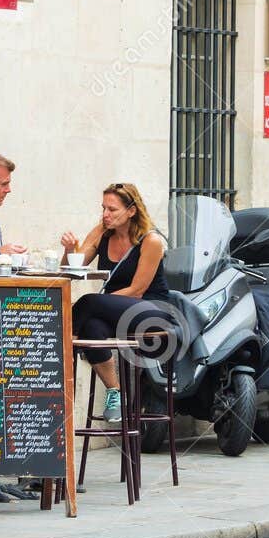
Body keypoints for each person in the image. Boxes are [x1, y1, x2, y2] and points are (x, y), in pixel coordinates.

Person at [61, 182, 178, 424]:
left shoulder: (151, 240)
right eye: (103, 208)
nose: (105, 214)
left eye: (112, 209)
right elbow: (73, 269)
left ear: (131, 211)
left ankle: (60, 350)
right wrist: (69, 249)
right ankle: (116, 393)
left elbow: (137, 290)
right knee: (92, 327)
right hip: (113, 312)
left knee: (89, 303)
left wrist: (100, 302)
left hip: (151, 310)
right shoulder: (102, 233)